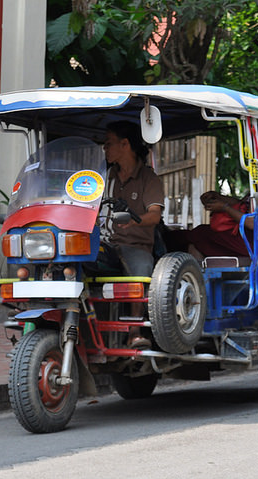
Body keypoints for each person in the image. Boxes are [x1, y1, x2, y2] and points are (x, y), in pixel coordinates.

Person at [102, 120, 165, 348]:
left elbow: (155, 215)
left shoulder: (149, 178)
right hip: (105, 243)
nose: (105, 149)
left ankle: (136, 331)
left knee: (138, 273)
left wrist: (134, 221)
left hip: (136, 245)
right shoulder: (105, 177)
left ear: (125, 144)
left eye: (109, 144)